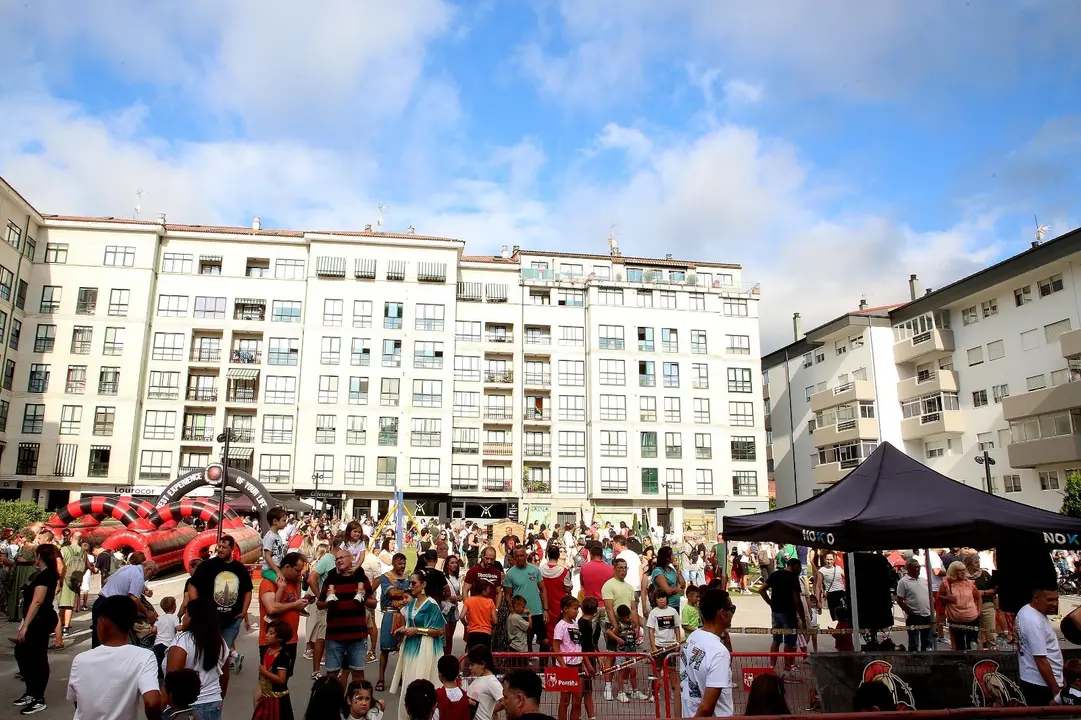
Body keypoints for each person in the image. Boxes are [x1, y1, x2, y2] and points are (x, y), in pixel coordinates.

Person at [67, 594, 163, 720]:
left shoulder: (80, 660)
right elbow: (152, 702)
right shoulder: (144, 656)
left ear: (104, 623)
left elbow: (77, 701)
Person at [188, 535, 253, 673]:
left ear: (232, 548)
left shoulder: (239, 568)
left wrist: (244, 611)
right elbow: (192, 585)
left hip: (231, 621)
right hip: (209, 620)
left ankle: (218, 681)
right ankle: (209, 682)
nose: (220, 549)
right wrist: (197, 606)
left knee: (223, 655)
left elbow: (248, 591)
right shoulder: (207, 566)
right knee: (208, 653)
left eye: (224, 547)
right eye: (219, 547)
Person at [391, 568, 448, 720]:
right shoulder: (411, 604)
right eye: (410, 583)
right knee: (409, 681)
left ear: (423, 584)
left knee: (421, 680)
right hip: (410, 647)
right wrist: (403, 629)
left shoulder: (431, 604)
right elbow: (410, 624)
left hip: (426, 648)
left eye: (414, 583)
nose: (411, 586)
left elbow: (440, 631)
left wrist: (418, 630)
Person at [12, 543, 61, 715]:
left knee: (36, 657)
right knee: (22, 652)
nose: (34, 558)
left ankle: (38, 697)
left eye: (36, 555)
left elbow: (38, 601)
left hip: (40, 620)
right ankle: (30, 691)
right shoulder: (41, 574)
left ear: (41, 556)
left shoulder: (46, 576)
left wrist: (25, 625)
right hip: (34, 619)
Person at [166, 597, 231, 720]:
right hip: (213, 701)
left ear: (192, 619)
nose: (183, 618)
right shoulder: (219, 642)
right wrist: (217, 697)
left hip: (186, 708)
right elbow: (225, 677)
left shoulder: (182, 642)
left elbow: (171, 681)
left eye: (186, 614)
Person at [318, 547, 374, 689]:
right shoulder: (331, 578)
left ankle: (356, 704)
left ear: (351, 560)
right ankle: (335, 705)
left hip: (357, 635)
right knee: (332, 674)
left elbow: (373, 603)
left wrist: (363, 598)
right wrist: (328, 602)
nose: (339, 561)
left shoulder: (360, 577)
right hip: (335, 635)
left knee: (358, 673)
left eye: (342, 558)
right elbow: (319, 604)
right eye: (337, 559)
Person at [679, 588, 736, 717]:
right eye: (732, 609)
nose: (733, 613)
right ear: (722, 613)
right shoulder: (719, 653)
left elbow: (680, 686)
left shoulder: (692, 637)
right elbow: (706, 708)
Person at [94, 552, 158, 648]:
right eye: (152, 575)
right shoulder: (139, 576)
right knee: (112, 638)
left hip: (100, 601)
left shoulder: (128, 568)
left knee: (99, 637)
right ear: (148, 570)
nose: (150, 578)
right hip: (111, 605)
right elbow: (134, 599)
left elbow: (106, 580)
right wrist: (147, 612)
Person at [759, 558, 807, 678]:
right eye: (799, 567)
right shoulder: (793, 579)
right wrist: (803, 618)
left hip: (776, 612)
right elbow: (797, 600)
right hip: (789, 613)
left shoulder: (775, 574)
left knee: (776, 640)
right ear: (794, 565)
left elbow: (761, 589)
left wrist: (771, 603)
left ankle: (772, 667)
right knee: (789, 641)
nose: (800, 569)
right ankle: (787, 670)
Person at [1016, 586, 1063, 705]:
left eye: (1056, 599)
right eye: (1049, 600)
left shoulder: (1026, 610)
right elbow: (1040, 659)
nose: (1054, 604)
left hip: (1036, 680)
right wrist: (1055, 689)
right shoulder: (1034, 622)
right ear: (1036, 598)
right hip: (1042, 684)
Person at [504, 547, 550, 652]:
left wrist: (546, 610)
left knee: (545, 642)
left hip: (537, 612)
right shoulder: (510, 574)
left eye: (522, 555)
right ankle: (525, 667)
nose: (519, 558)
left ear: (526, 555)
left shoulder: (535, 570)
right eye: (517, 556)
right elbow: (507, 595)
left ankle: (543, 668)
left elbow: (542, 589)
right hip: (521, 615)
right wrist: (512, 612)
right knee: (525, 645)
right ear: (514, 557)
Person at [377, 552, 410, 691]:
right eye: (399, 563)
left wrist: (403, 592)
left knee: (404, 648)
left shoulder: (408, 579)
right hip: (390, 615)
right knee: (385, 649)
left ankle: (402, 676)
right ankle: (381, 678)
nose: (402, 566)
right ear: (393, 563)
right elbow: (391, 593)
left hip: (404, 615)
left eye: (404, 563)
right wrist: (406, 592)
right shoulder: (386, 577)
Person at [647, 590, 682, 714]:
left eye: (663, 597)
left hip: (671, 645)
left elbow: (677, 627)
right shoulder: (653, 613)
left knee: (672, 670)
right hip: (658, 645)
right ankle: (654, 692)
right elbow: (650, 630)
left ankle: (674, 692)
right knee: (656, 670)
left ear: (667, 599)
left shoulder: (673, 612)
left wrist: (678, 642)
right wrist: (653, 647)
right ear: (655, 600)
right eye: (659, 598)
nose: (661, 600)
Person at [252, 620, 294, 720]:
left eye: (271, 633)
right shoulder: (268, 650)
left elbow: (281, 679)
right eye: (267, 632)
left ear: (280, 638)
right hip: (267, 696)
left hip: (277, 700)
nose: (266, 635)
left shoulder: (282, 656)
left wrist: (264, 672)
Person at [552, 595, 585, 720]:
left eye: (577, 609)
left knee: (577, 700)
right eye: (574, 608)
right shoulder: (560, 626)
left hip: (578, 664)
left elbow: (578, 643)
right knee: (565, 699)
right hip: (566, 665)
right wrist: (563, 664)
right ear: (565, 609)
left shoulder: (575, 624)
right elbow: (555, 647)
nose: (576, 611)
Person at [939, 560, 981, 651]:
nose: (963, 572)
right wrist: (947, 599)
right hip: (955, 620)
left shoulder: (970, 583)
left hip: (972, 618)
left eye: (964, 570)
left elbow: (978, 597)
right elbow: (940, 600)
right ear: (953, 571)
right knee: (959, 646)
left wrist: (979, 612)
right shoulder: (946, 584)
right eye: (960, 570)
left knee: (972, 644)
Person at [895, 558, 932, 652]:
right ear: (909, 568)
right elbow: (899, 599)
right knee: (913, 643)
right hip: (914, 616)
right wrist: (909, 612)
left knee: (927, 642)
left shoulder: (923, 580)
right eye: (916, 567)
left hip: (927, 614)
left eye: (919, 567)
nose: (918, 569)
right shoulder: (903, 582)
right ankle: (913, 661)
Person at [466, 645, 503, 720]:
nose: (469, 667)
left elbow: (504, 701)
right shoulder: (479, 679)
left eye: (472, 664)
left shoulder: (492, 681)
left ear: (483, 664)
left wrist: (493, 710)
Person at [814, 551, 846, 623]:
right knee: (837, 617)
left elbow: (848, 578)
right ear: (825, 559)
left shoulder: (839, 568)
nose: (829, 561)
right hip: (832, 595)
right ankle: (839, 632)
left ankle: (844, 632)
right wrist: (818, 601)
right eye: (827, 559)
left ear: (834, 560)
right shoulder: (821, 571)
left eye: (831, 559)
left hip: (842, 594)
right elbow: (818, 586)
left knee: (844, 616)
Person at [154, 596, 182, 679]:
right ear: (174, 606)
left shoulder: (159, 618)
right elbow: (178, 628)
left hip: (157, 644)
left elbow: (153, 630)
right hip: (168, 645)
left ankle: (159, 679)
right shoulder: (174, 618)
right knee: (166, 664)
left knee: (158, 664)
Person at [442, 555, 463, 657]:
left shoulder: (457, 577)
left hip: (454, 609)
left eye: (456, 562)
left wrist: (459, 596)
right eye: (452, 563)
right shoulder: (443, 577)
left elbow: (458, 591)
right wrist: (451, 598)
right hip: (445, 609)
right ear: (447, 565)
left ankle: (448, 656)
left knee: (450, 636)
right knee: (445, 636)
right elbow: (441, 595)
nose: (454, 565)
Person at [261, 507, 288, 584]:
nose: (285, 523)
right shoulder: (269, 537)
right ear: (275, 521)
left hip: (276, 568)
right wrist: (278, 572)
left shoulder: (277, 535)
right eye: (284, 520)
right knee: (282, 585)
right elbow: (267, 556)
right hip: (268, 570)